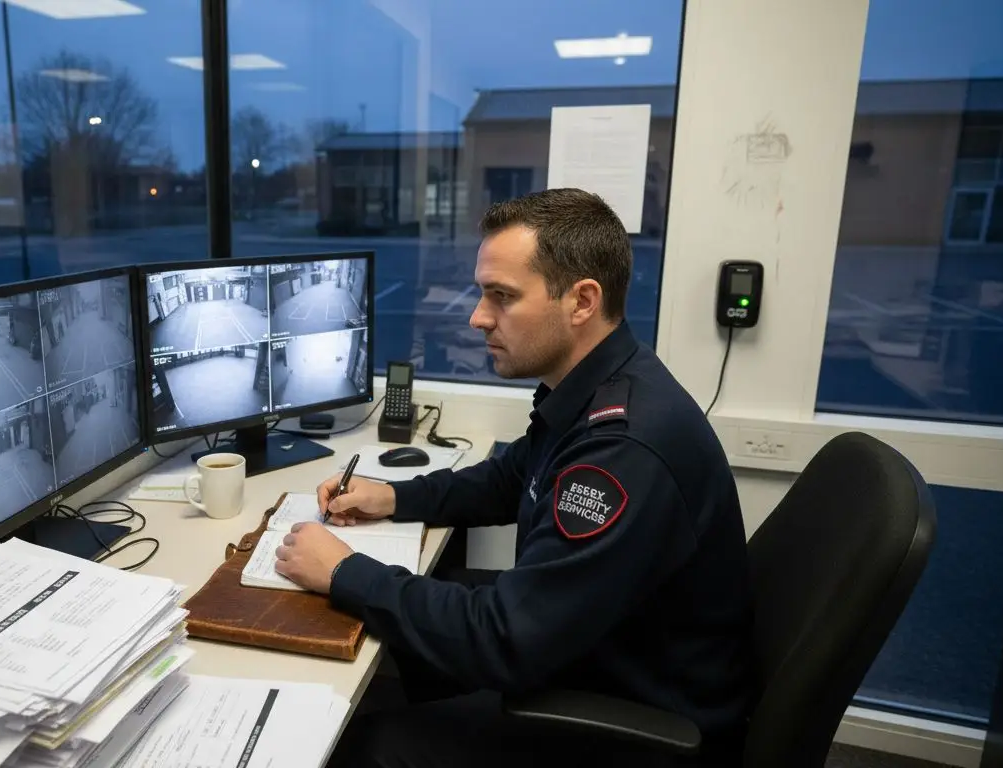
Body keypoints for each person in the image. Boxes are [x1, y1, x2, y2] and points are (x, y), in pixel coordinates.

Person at [273, 188, 755, 767]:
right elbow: (508, 478)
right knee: (408, 648)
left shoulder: (622, 450)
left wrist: (345, 571)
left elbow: (506, 641)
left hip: (633, 712)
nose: (477, 317)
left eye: (501, 296)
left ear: (581, 301)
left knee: (365, 747)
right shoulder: (599, 386)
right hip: (601, 644)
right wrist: (391, 497)